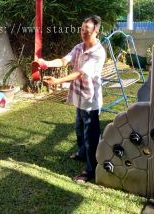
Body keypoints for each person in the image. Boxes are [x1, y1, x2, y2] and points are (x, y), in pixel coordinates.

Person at [38, 15, 106, 183]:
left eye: (87, 31)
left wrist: (57, 81)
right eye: (82, 29)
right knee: (79, 128)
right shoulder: (79, 47)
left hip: (90, 99)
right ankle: (82, 154)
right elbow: (64, 61)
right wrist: (45, 63)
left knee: (91, 136)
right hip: (79, 95)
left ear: (96, 31)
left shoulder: (98, 52)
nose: (83, 33)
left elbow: (79, 73)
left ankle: (90, 170)